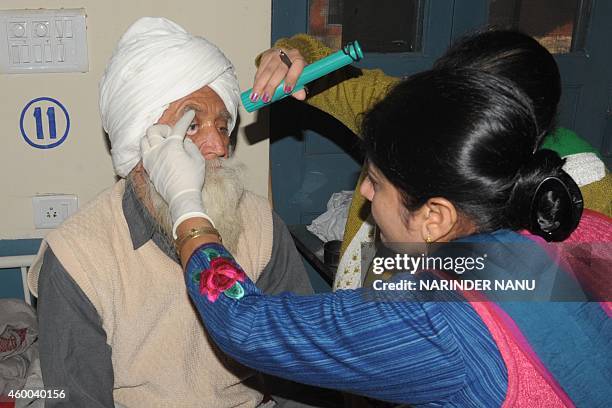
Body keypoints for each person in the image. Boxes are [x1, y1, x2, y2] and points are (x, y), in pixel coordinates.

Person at [146, 67, 611, 406]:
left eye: (376, 182)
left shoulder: (432, 324)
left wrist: (187, 204)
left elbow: (247, 325)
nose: (363, 192)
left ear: (436, 218)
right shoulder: (584, 228)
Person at [26, 17, 327, 408]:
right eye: (192, 126)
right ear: (142, 146)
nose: (218, 146)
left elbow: (300, 373)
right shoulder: (76, 259)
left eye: (222, 127)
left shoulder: (259, 225)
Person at [251, 30, 611, 290]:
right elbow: (318, 66)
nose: (365, 190)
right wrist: (290, 57)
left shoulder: (585, 196)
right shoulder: (410, 111)